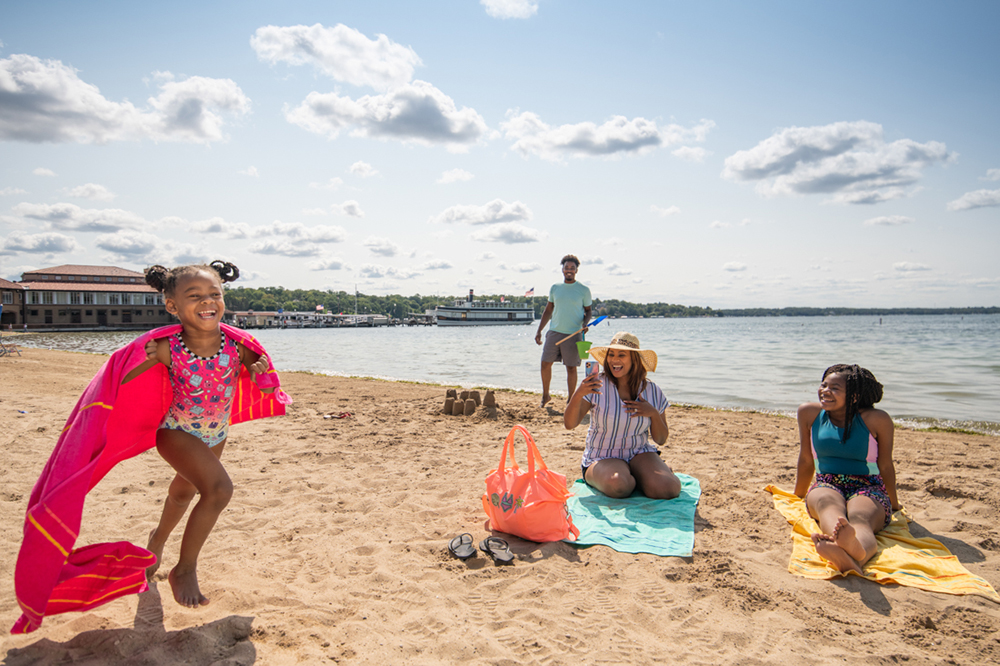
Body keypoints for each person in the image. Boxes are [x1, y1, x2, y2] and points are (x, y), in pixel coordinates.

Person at [124, 260, 277, 608]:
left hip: (215, 433)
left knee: (182, 493)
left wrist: (261, 376)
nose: (207, 301)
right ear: (172, 305)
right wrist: (141, 361)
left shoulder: (238, 347)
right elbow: (124, 383)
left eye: (214, 294)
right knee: (219, 490)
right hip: (176, 431)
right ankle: (185, 568)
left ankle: (156, 542)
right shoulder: (167, 348)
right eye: (194, 296)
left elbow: (267, 389)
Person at [794, 364, 899, 575]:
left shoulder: (877, 420)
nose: (825, 391)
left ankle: (856, 551)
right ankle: (846, 547)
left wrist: (893, 502)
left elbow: (885, 465)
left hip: (868, 485)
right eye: (823, 385)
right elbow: (806, 459)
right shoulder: (809, 413)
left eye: (834, 388)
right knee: (826, 505)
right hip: (826, 482)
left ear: (854, 396)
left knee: (861, 516)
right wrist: (798, 494)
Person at [564, 332, 681, 499]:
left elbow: (661, 439)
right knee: (619, 485)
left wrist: (653, 413)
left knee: (669, 488)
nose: (614, 360)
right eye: (611, 354)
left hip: (639, 453)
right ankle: (637, 476)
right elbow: (569, 424)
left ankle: (644, 473)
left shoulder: (652, 391)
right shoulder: (596, 386)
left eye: (621, 355)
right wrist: (578, 393)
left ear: (634, 359)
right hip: (602, 456)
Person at [535, 254, 592, 407]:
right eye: (566, 267)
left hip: (574, 333)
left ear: (576, 271)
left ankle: (571, 400)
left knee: (571, 368)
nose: (569, 270)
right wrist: (539, 330)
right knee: (545, 363)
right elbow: (548, 310)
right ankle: (545, 396)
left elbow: (589, 311)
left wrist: (585, 324)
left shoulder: (583, 290)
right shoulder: (555, 288)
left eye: (572, 268)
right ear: (562, 269)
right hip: (554, 331)